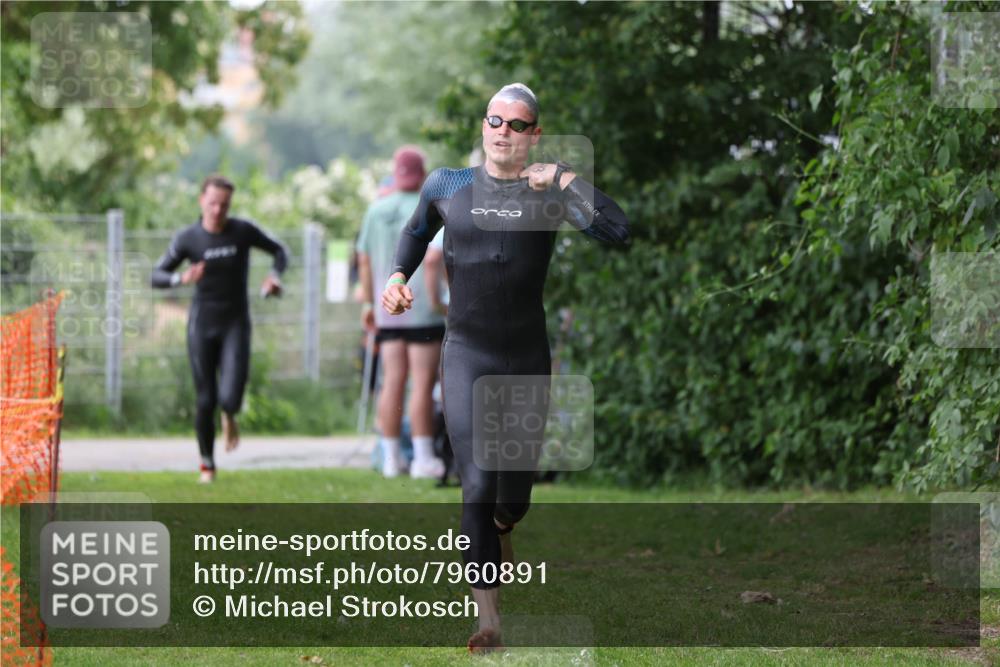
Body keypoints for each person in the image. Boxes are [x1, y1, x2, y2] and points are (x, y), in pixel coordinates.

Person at [381, 83, 629, 651]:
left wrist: (564, 178)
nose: (503, 131)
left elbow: (617, 229)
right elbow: (415, 234)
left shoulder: (549, 192)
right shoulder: (448, 185)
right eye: (496, 120)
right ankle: (489, 620)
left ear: (534, 135)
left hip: (525, 358)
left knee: (512, 495)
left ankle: (504, 524)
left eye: (517, 125)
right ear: (485, 125)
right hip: (467, 352)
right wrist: (398, 279)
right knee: (477, 482)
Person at [151, 174, 288, 483]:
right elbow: (156, 276)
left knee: (230, 399)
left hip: (235, 323)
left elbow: (280, 251)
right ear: (201, 201)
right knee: (205, 399)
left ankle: (230, 415)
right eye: (212, 203)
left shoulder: (242, 231)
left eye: (224, 205)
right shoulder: (188, 238)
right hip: (202, 324)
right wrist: (181, 279)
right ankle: (207, 465)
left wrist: (274, 277)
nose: (217, 210)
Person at [358, 146, 447, 479]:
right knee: (422, 385)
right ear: (422, 174)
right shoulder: (431, 207)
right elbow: (436, 259)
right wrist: (443, 302)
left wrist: (369, 302)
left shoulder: (376, 209)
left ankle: (391, 458)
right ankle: (423, 458)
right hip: (424, 309)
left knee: (391, 382)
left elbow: (364, 260)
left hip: (387, 308)